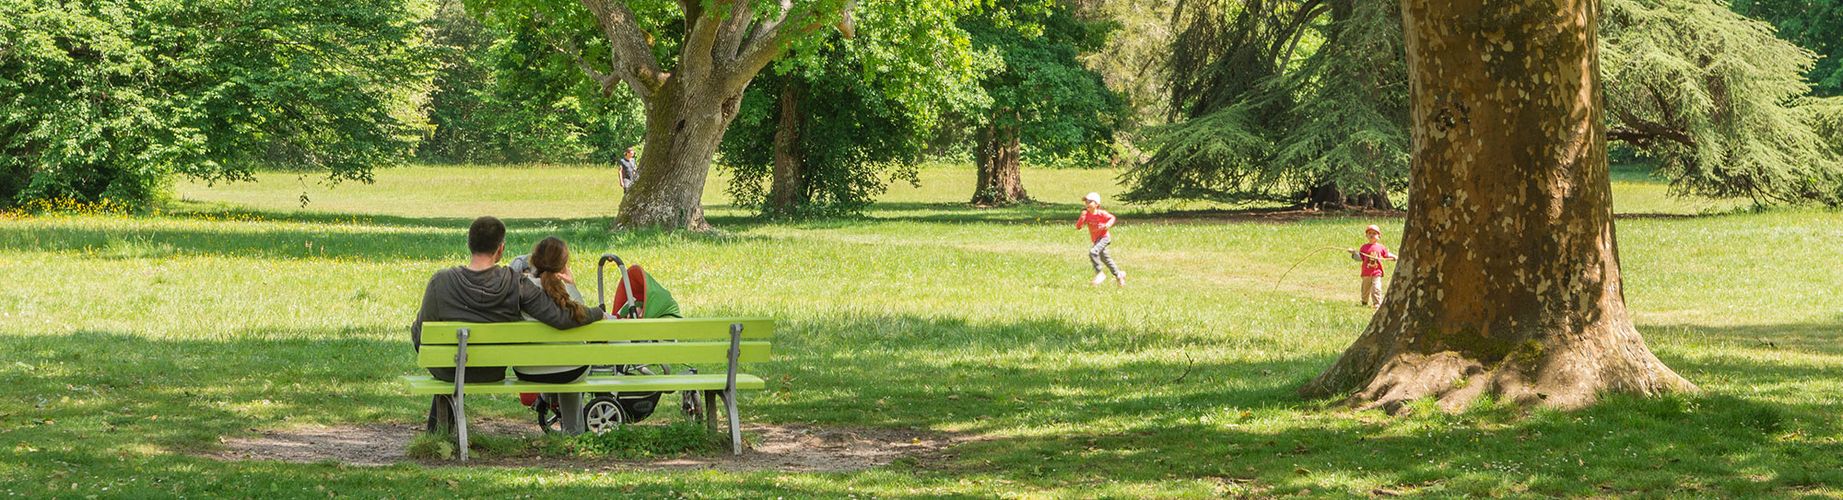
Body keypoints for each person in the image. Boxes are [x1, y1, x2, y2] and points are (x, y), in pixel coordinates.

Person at [410, 216, 601, 384]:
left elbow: (421, 333)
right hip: (491, 369)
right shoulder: (515, 283)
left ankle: (441, 424)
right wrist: (598, 312)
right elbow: (559, 317)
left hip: (446, 368)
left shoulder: (440, 281)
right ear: (500, 249)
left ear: (469, 244)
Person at [509, 236, 600, 383]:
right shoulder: (568, 291)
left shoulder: (521, 287)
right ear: (564, 265)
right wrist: (572, 285)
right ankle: (570, 408)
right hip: (572, 370)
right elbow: (582, 322)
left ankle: (546, 400)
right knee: (572, 359)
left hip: (527, 370)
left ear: (533, 260)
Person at [1075, 192, 1126, 286]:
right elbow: (1078, 227)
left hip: (1104, 238)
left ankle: (1100, 273)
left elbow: (1112, 218)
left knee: (1093, 252)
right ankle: (1119, 275)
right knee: (1105, 259)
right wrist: (1082, 218)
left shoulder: (1101, 213)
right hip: (1096, 239)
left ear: (1096, 204)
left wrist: (1107, 225)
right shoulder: (1086, 215)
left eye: (1090, 202)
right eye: (1086, 202)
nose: (1087, 204)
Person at [1349, 224, 1398, 309]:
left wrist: (1394, 256)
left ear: (1379, 236)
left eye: (1374, 233)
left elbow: (1386, 255)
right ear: (1366, 235)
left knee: (1376, 288)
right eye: (1369, 233)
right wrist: (1353, 253)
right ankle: (1364, 301)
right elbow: (1361, 258)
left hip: (1376, 272)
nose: (1372, 235)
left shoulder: (1381, 247)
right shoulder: (1364, 247)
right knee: (1365, 289)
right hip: (1366, 273)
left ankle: (1377, 303)